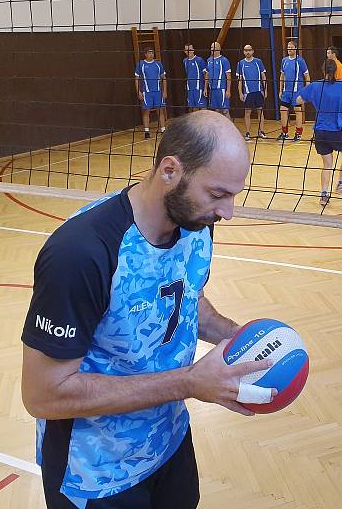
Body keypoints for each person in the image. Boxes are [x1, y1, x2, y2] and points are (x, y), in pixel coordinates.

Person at [21, 112, 277, 509]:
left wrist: (239, 336)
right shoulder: (81, 252)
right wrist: (190, 382)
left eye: (233, 195)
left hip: (169, 441)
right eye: (218, 194)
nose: (228, 212)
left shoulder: (195, 224)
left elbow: (185, 299)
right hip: (95, 473)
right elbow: (43, 395)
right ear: (170, 170)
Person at [296, 59, 342, 207]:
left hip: (320, 131)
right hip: (336, 130)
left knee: (327, 164)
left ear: (323, 71)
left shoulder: (315, 86)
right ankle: (341, 184)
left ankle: (324, 195)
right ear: (336, 71)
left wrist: (311, 95)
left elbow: (298, 100)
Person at [278, 41, 310, 142]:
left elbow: (307, 76)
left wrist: (307, 91)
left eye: (291, 47)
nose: (289, 49)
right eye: (288, 47)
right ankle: (284, 133)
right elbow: (282, 76)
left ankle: (298, 133)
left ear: (295, 48)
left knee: (298, 111)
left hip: (297, 91)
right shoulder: (284, 60)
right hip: (286, 91)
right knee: (283, 110)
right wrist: (280, 90)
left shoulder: (300, 61)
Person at [134, 47, 167, 139]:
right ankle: (147, 131)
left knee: (160, 110)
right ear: (145, 54)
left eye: (152, 52)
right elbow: (136, 79)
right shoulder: (141, 64)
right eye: (149, 53)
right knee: (146, 111)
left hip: (158, 92)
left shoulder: (158, 64)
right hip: (147, 92)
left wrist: (164, 91)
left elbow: (164, 78)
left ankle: (163, 129)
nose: (151, 54)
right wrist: (139, 92)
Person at [237, 44, 268, 141]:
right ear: (243, 52)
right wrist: (240, 93)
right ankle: (247, 133)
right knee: (247, 112)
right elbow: (240, 80)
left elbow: (264, 77)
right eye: (246, 50)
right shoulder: (240, 63)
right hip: (248, 92)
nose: (248, 52)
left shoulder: (258, 62)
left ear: (253, 51)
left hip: (258, 91)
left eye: (249, 50)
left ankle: (261, 131)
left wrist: (265, 90)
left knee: (260, 111)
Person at [204, 41, 231, 118]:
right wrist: (205, 88)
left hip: (221, 89)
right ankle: (219, 129)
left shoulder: (224, 60)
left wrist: (228, 90)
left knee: (225, 111)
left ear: (219, 49)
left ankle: (229, 129)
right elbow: (207, 74)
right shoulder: (209, 60)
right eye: (211, 47)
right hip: (212, 90)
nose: (212, 49)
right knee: (217, 112)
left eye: (214, 47)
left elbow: (228, 76)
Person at [183, 43, 207, 113]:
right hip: (190, 89)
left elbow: (206, 74)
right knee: (194, 110)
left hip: (199, 88)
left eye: (190, 49)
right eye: (187, 50)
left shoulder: (199, 60)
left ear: (193, 50)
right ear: (184, 51)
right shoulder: (185, 61)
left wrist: (205, 88)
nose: (189, 51)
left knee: (203, 109)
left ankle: (205, 124)